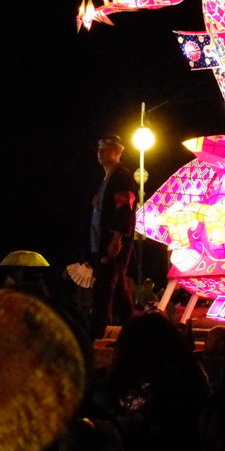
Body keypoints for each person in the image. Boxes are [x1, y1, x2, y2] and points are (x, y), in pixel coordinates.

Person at [89, 134, 138, 338]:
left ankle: (95, 336)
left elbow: (124, 207)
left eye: (106, 148)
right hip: (103, 241)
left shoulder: (121, 177)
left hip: (113, 242)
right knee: (118, 293)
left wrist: (117, 238)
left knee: (104, 290)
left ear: (118, 152)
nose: (101, 152)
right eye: (99, 148)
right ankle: (136, 333)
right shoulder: (108, 178)